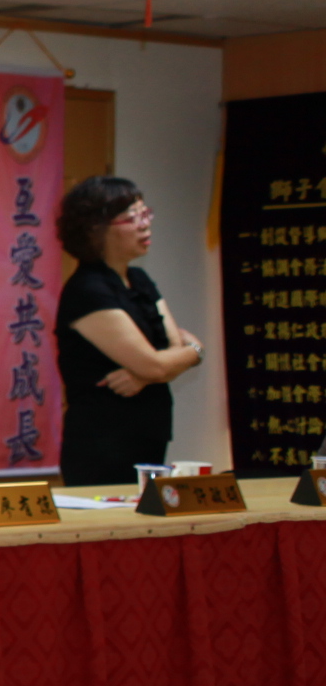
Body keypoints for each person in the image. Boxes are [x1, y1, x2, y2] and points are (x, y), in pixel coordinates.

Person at [53, 174, 205, 485]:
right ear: (96, 228)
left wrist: (148, 372)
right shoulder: (88, 289)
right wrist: (189, 353)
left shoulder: (139, 281)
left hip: (149, 432)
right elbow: (159, 364)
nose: (145, 225)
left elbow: (171, 351)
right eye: (132, 217)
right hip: (102, 442)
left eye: (145, 214)